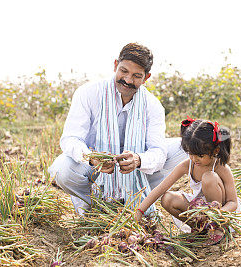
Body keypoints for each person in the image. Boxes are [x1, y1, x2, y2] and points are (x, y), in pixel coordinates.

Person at [48, 43, 187, 215]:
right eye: (124, 71)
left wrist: (139, 160)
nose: (128, 80)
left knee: (185, 147)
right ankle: (91, 205)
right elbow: (70, 139)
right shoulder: (89, 93)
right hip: (96, 169)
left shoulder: (152, 105)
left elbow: (158, 151)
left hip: (135, 171)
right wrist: (92, 158)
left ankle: (137, 198)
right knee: (62, 169)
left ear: (146, 77)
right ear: (115, 65)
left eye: (136, 76)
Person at [134, 117, 241, 241]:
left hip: (220, 214)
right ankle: (200, 227)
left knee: (209, 177)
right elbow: (161, 189)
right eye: (190, 154)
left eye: (200, 156)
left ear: (215, 151)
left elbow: (233, 202)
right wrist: (140, 211)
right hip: (200, 211)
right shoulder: (188, 165)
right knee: (167, 198)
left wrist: (217, 214)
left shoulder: (221, 167)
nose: (194, 159)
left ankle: (218, 228)